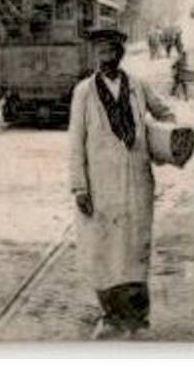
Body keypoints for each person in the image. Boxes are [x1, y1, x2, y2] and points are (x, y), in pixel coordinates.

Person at [69, 26, 177, 339]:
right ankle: (113, 316)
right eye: (101, 52)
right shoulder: (84, 93)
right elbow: (76, 142)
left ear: (120, 54)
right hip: (100, 185)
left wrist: (158, 140)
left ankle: (139, 319)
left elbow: (167, 114)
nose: (107, 58)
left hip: (137, 180)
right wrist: (79, 187)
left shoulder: (139, 86)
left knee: (136, 247)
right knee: (105, 249)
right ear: (95, 55)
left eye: (112, 52)